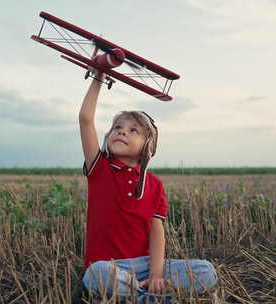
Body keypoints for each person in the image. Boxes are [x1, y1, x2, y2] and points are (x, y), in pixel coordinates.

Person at [78, 71, 218, 303]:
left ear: (148, 147)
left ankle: (142, 294)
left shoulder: (155, 184)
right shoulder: (100, 169)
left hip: (145, 266)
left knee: (206, 271)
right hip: (108, 267)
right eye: (117, 128)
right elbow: (85, 119)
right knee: (95, 275)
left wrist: (156, 275)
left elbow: (156, 232)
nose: (122, 131)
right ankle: (154, 299)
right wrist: (99, 75)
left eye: (134, 130)